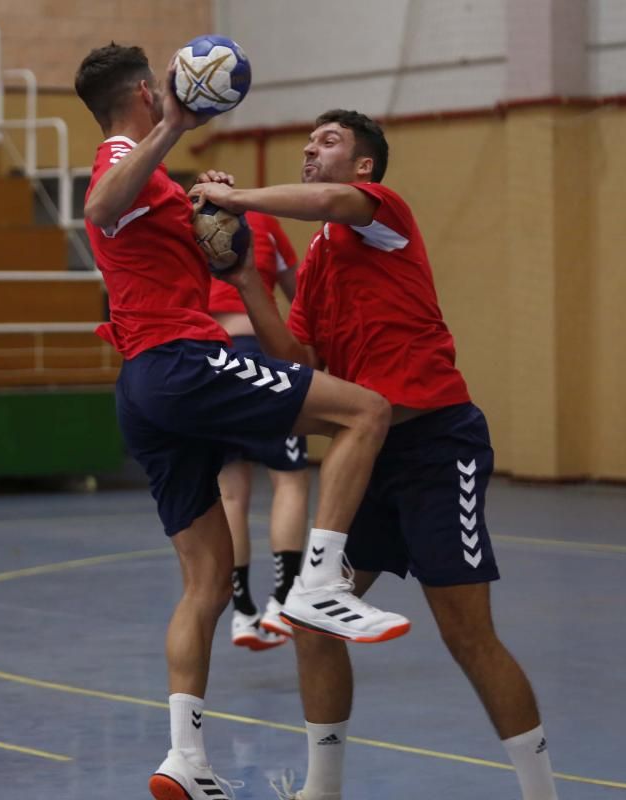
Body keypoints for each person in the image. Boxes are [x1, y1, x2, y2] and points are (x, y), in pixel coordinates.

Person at [190, 110, 560, 800]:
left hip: (437, 447)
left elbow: (328, 202)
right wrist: (246, 280)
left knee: (467, 635)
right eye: (307, 142)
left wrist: (235, 198)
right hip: (370, 459)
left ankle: (542, 793)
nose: (310, 150)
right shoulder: (323, 262)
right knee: (307, 622)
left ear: (364, 167)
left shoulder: (380, 214)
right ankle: (321, 791)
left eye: (327, 141)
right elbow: (298, 359)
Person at [73, 46, 410, 800]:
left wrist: (212, 209)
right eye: (158, 84)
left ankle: (184, 759)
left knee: (206, 584)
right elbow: (98, 205)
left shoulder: (153, 175)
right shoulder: (126, 152)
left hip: (144, 383)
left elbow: (172, 239)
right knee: (366, 410)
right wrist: (176, 129)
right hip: (181, 359)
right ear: (142, 91)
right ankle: (321, 581)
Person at [209, 210, 309, 652]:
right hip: (263, 356)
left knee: (231, 492)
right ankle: (283, 600)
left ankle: (242, 610)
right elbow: (301, 293)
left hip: (212, 362)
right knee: (288, 480)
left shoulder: (187, 222)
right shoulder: (265, 223)